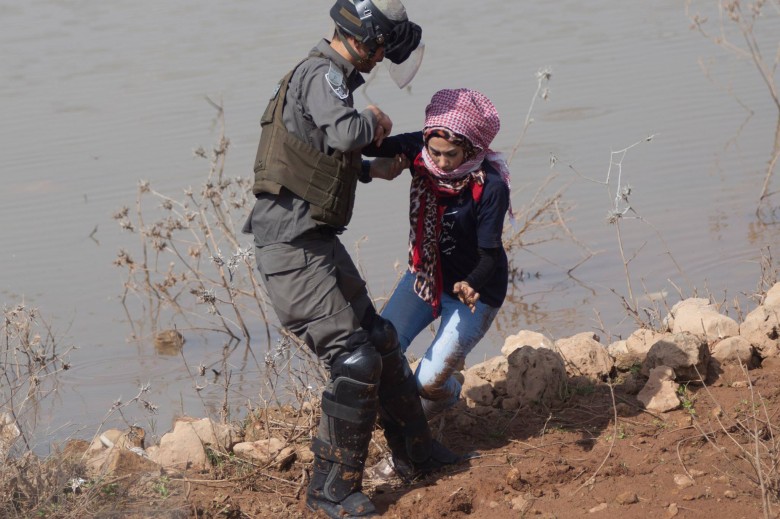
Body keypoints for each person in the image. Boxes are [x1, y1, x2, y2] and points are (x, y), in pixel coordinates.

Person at [243, 2, 460, 518]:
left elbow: (313, 153)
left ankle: (417, 455)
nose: (382, 58)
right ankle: (330, 492)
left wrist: (369, 171)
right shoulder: (323, 75)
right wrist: (375, 119)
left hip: (312, 238)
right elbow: (343, 133)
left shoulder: (324, 75)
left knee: (381, 342)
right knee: (354, 359)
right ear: (367, 40)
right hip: (291, 247)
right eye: (384, 49)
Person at [364, 88, 511, 421]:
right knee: (377, 355)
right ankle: (401, 418)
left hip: (476, 293)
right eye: (435, 152)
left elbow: (489, 254)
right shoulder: (420, 152)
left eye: (452, 155)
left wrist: (471, 284)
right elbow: (367, 145)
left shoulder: (490, 188)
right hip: (426, 278)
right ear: (427, 140)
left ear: (471, 149)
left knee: (428, 383)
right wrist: (372, 119)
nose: (441, 163)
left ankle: (441, 401)